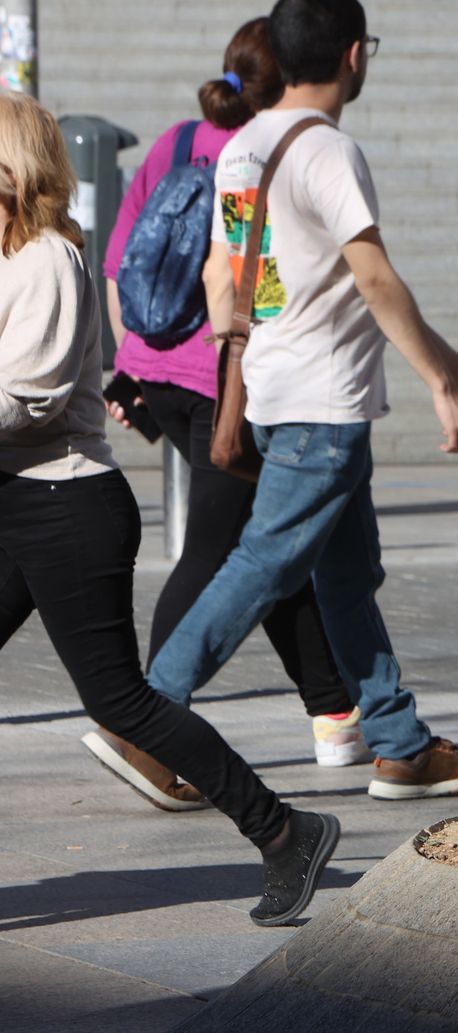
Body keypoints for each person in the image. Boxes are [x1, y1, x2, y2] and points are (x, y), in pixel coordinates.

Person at [129, 0, 458, 802]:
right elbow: (371, 275)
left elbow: (240, 283)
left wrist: (448, 358)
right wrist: (438, 384)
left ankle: (398, 740)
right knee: (265, 562)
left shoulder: (242, 150)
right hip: (325, 402)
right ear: (355, 56)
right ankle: (148, 718)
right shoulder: (330, 151)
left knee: (345, 574)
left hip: (276, 385)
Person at [0, 89, 338, 926]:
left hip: (68, 505)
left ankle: (285, 829)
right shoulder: (9, 257)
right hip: (19, 500)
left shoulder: (46, 258)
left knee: (120, 701)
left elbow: (28, 400)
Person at [91, 16, 369, 784]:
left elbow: (121, 261)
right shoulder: (270, 151)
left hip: (156, 374)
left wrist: (130, 367)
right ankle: (148, 727)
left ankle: (338, 711)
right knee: (232, 551)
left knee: (273, 546)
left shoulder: (178, 141)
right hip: (229, 380)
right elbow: (259, 288)